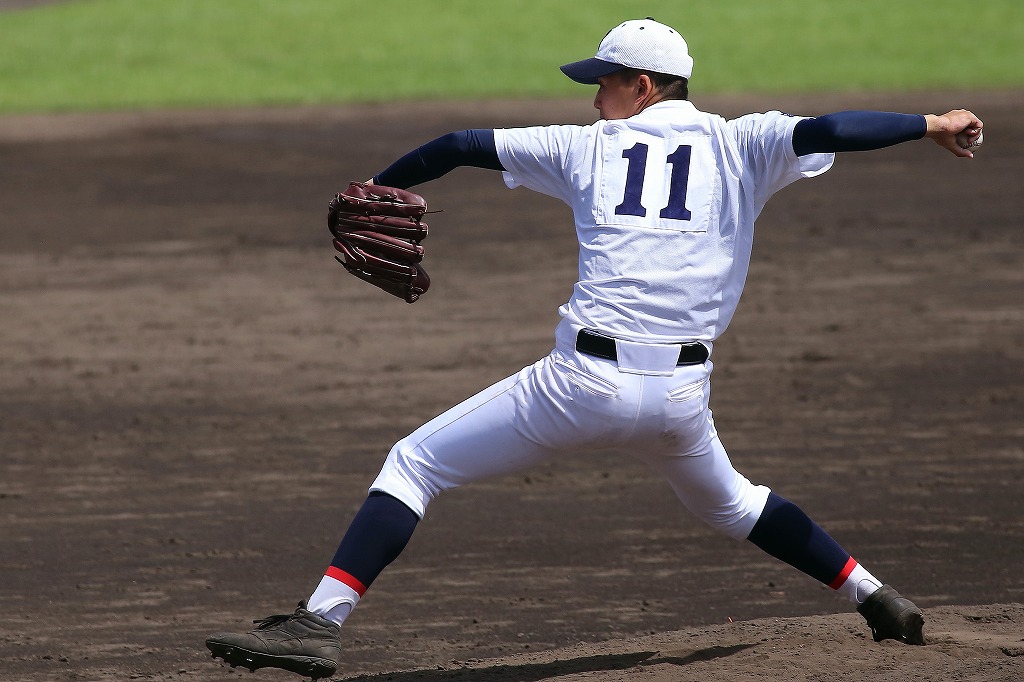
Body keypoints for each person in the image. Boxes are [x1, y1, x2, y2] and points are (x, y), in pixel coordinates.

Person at [206, 18, 983, 680]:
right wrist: (934, 124)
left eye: (606, 82)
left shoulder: (587, 149)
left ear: (644, 86)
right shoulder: (743, 143)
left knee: (415, 463)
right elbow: (833, 129)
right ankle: (876, 598)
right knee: (736, 504)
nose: (595, 96)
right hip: (681, 402)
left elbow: (457, 144)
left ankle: (317, 623)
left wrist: (371, 186)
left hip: (580, 386)